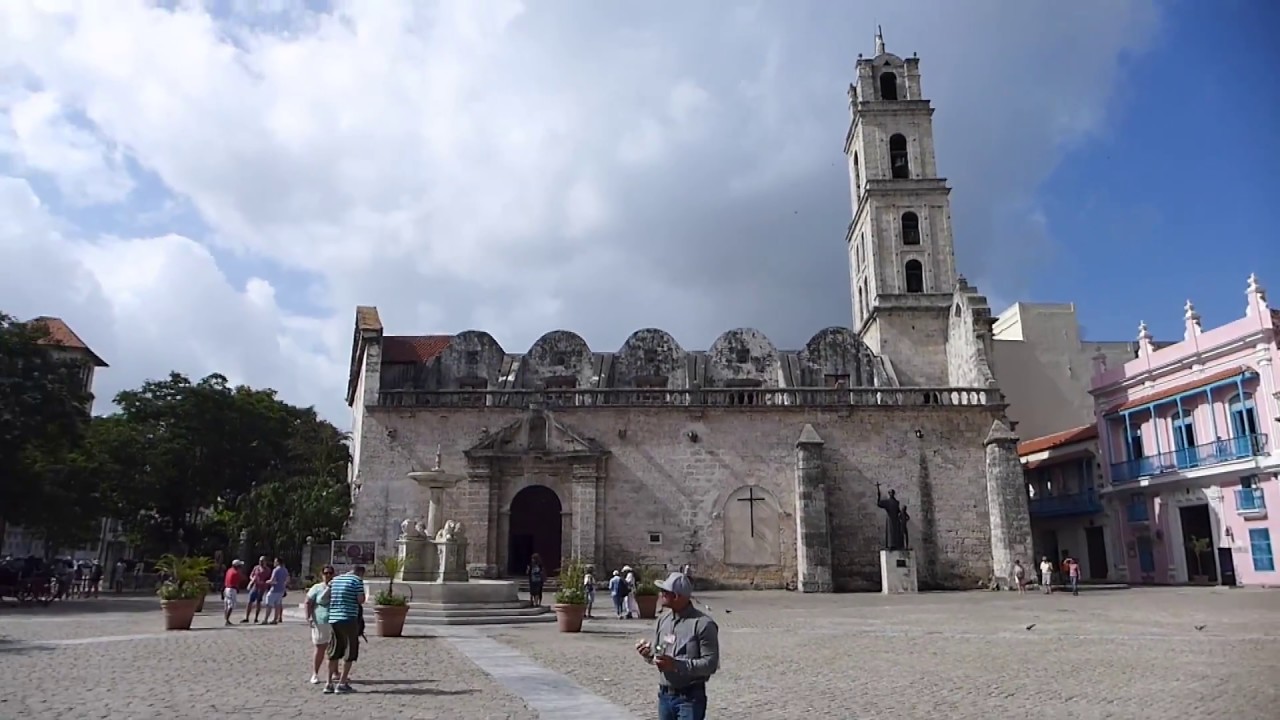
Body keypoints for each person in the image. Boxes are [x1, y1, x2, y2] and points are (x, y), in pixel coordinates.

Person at [634, 572, 719, 720]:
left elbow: (710, 664)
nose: (661, 595)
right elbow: (659, 652)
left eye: (665, 592)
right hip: (665, 696)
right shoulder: (663, 621)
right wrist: (649, 654)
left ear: (676, 596)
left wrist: (676, 665)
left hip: (689, 698)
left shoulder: (703, 624)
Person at [324, 564, 366, 694]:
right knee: (350, 650)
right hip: (348, 618)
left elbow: (324, 597)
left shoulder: (335, 580)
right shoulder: (357, 580)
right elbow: (361, 599)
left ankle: (328, 683)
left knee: (333, 650)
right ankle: (342, 683)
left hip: (334, 619)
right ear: (360, 573)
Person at [305, 565, 336, 684]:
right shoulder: (317, 588)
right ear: (322, 575)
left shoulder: (337, 587)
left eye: (330, 573)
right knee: (320, 647)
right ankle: (315, 673)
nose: (328, 575)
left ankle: (335, 672)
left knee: (334, 647)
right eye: (326, 573)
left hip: (335, 620)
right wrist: (308, 617)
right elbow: (308, 602)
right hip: (320, 620)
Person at [243, 556, 270, 624]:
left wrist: (264, 583)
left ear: (265, 562)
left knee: (258, 602)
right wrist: (252, 579)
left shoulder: (267, 570)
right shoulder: (256, 568)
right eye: (260, 561)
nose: (260, 562)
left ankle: (256, 618)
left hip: (262, 587)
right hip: (255, 586)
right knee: (250, 601)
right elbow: (251, 575)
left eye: (262, 561)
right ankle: (247, 617)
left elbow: (269, 578)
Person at [263, 557, 290, 625]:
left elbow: (273, 580)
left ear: (278, 562)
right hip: (281, 590)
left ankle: (266, 619)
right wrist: (283, 585)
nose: (274, 563)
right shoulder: (285, 570)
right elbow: (287, 579)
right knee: (277, 605)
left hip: (274, 590)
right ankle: (275, 619)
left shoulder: (276, 570)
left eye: (275, 561)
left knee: (269, 605)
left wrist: (267, 582)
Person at [222, 559, 244, 626]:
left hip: (226, 588)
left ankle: (226, 619)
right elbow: (240, 580)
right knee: (231, 605)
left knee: (226, 604)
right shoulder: (236, 573)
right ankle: (227, 620)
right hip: (232, 589)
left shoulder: (229, 570)